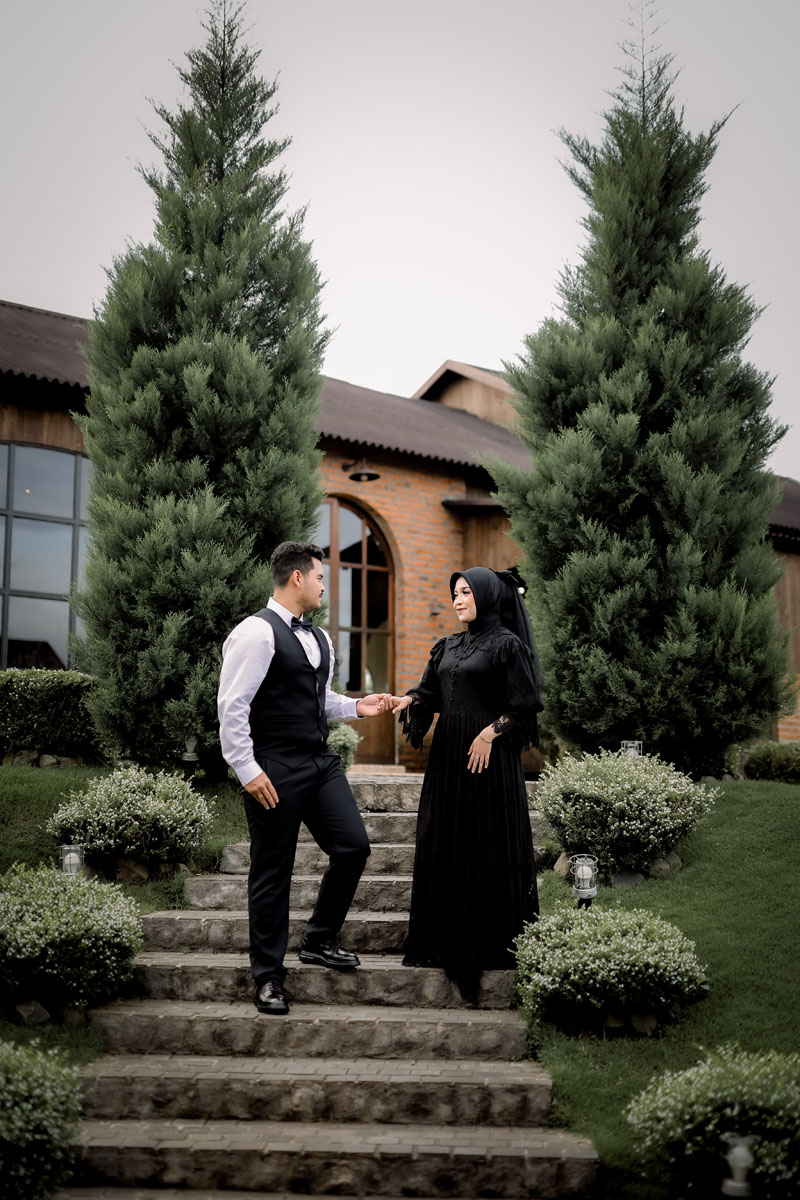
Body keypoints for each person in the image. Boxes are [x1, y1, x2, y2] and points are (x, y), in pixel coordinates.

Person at [217, 541, 391, 1016]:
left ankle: (318, 939)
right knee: (272, 872)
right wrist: (247, 769)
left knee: (353, 846)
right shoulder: (256, 633)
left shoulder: (320, 638)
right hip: (272, 768)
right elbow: (232, 706)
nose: (323, 586)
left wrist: (356, 706)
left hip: (318, 763)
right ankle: (268, 977)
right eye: (319, 577)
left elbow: (318, 699)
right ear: (297, 577)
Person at [391, 566, 543, 1004]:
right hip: (448, 761)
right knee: (443, 838)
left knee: (484, 843)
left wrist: (489, 734)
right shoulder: (450, 645)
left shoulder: (507, 645)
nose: (457, 600)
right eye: (454, 593)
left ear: (486, 595)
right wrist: (408, 699)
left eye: (465, 592)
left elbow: (525, 704)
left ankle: (492, 941)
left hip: (489, 763)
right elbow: (432, 694)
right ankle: (441, 939)